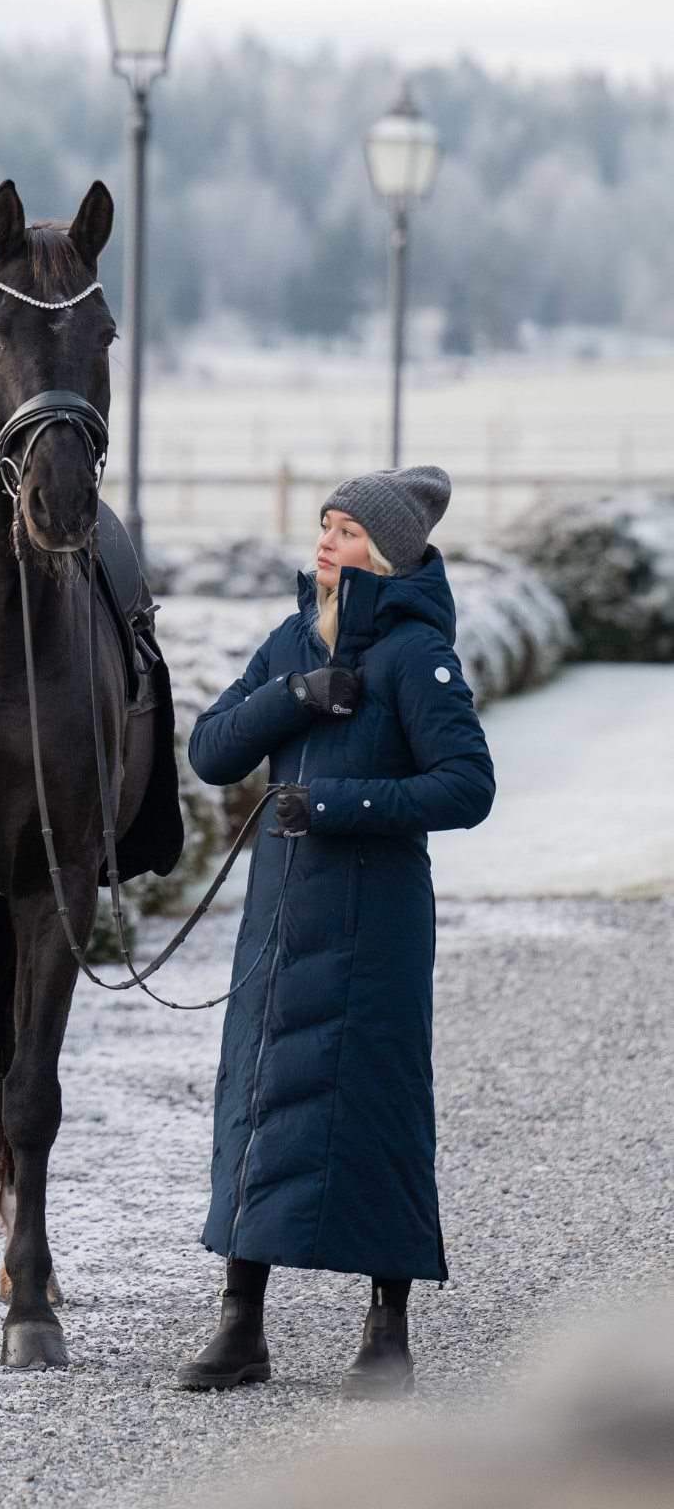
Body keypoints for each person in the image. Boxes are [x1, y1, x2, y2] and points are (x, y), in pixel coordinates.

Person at [177, 465, 495, 1399]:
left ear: (387, 554)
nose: (326, 541)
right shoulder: (288, 642)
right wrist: (300, 696)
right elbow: (210, 750)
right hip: (279, 917)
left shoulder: (416, 655)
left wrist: (336, 803)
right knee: (258, 1104)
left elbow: (467, 787)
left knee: (379, 1113)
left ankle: (387, 1333)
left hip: (378, 925)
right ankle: (242, 1328)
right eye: (325, 523)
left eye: (349, 531)